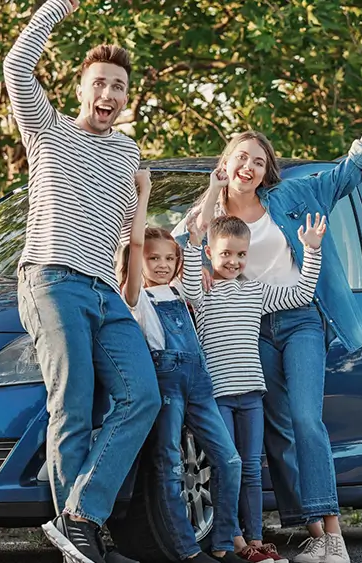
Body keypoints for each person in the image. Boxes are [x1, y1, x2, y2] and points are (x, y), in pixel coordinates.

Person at [176, 91, 362, 563]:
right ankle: (310, 530)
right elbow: (176, 253)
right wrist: (209, 192)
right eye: (241, 157)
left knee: (304, 418)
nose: (250, 166)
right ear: (226, 163)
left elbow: (346, 176)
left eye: (259, 161)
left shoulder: (290, 197)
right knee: (277, 432)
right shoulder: (206, 217)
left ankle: (333, 534)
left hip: (299, 318)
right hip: (248, 331)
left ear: (266, 172)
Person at [3, 1, 161, 562]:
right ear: (80, 89)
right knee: (71, 399)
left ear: (125, 98)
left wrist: (142, 200)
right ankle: (83, 542)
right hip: (50, 278)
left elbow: (129, 236)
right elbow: (17, 66)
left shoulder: (128, 152)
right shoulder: (46, 132)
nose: (110, 94)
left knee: (143, 394)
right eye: (100, 83)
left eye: (119, 86)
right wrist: (54, 9)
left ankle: (80, 517)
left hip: (104, 291)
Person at [183, 173, 327, 563]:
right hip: (217, 396)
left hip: (251, 395)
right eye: (225, 253)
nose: (233, 261)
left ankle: (255, 539)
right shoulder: (201, 289)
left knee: (250, 468)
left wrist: (310, 251)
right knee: (226, 467)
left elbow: (301, 294)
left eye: (241, 255)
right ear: (211, 253)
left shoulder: (255, 291)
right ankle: (228, 541)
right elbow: (188, 251)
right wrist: (199, 233)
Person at [118, 169, 244, 563]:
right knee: (168, 464)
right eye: (153, 258)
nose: (161, 264)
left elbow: (199, 231)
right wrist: (144, 193)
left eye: (168, 258)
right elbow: (136, 240)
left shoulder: (181, 288)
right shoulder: (134, 298)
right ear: (138, 260)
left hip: (199, 381)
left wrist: (214, 188)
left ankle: (223, 541)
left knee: (230, 459)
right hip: (167, 382)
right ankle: (187, 551)